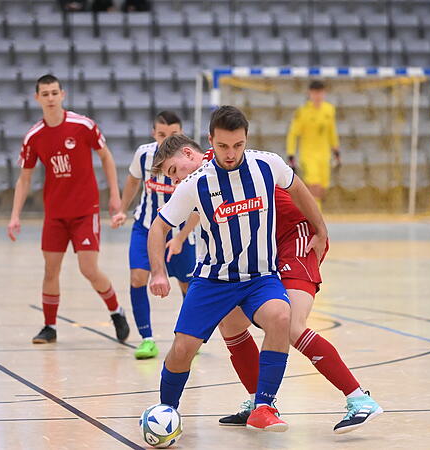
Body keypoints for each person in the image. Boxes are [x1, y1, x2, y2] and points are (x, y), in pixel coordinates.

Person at [153, 136, 383, 435]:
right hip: (266, 246)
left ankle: (359, 399)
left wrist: (321, 228)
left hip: (295, 234)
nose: (176, 180)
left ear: (189, 153)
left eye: (174, 171)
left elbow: (295, 186)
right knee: (231, 324)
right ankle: (257, 403)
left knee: (291, 326)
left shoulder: (221, 158)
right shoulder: (204, 177)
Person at [147, 106, 328, 432]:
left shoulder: (267, 164)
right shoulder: (193, 183)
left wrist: (320, 228)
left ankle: (264, 406)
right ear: (210, 143)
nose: (231, 154)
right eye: (223, 146)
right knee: (183, 349)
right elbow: (158, 228)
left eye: (238, 145)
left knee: (281, 317)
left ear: (245, 140)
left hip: (260, 277)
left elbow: (298, 187)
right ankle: (166, 412)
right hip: (214, 279)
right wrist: (159, 271)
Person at [7, 74, 130, 345]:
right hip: (55, 213)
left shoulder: (82, 126)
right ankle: (49, 326)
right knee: (51, 270)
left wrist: (114, 195)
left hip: (86, 210)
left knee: (88, 268)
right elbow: (24, 178)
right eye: (45, 94)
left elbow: (106, 157)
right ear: (37, 98)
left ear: (63, 94)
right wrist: (15, 215)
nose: (50, 98)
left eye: (54, 93)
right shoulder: (34, 137)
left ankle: (116, 311)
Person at [111, 111, 197, 360]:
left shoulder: (189, 162)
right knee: (138, 278)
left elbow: (198, 207)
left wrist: (181, 237)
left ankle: (190, 336)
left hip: (181, 232)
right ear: (153, 134)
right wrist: (122, 210)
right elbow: (132, 183)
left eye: (173, 134)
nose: (166, 139)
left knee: (187, 284)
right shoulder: (144, 154)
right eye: (161, 134)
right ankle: (147, 338)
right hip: (147, 225)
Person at [286, 80, 341, 209]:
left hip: (324, 155)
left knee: (322, 190)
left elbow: (332, 132)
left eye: (320, 93)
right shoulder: (302, 112)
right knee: (313, 187)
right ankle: (315, 220)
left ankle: (315, 217)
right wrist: (291, 154)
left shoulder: (329, 109)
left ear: (324, 93)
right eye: (315, 93)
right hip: (308, 155)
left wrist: (337, 151)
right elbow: (293, 134)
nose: (318, 96)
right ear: (310, 93)